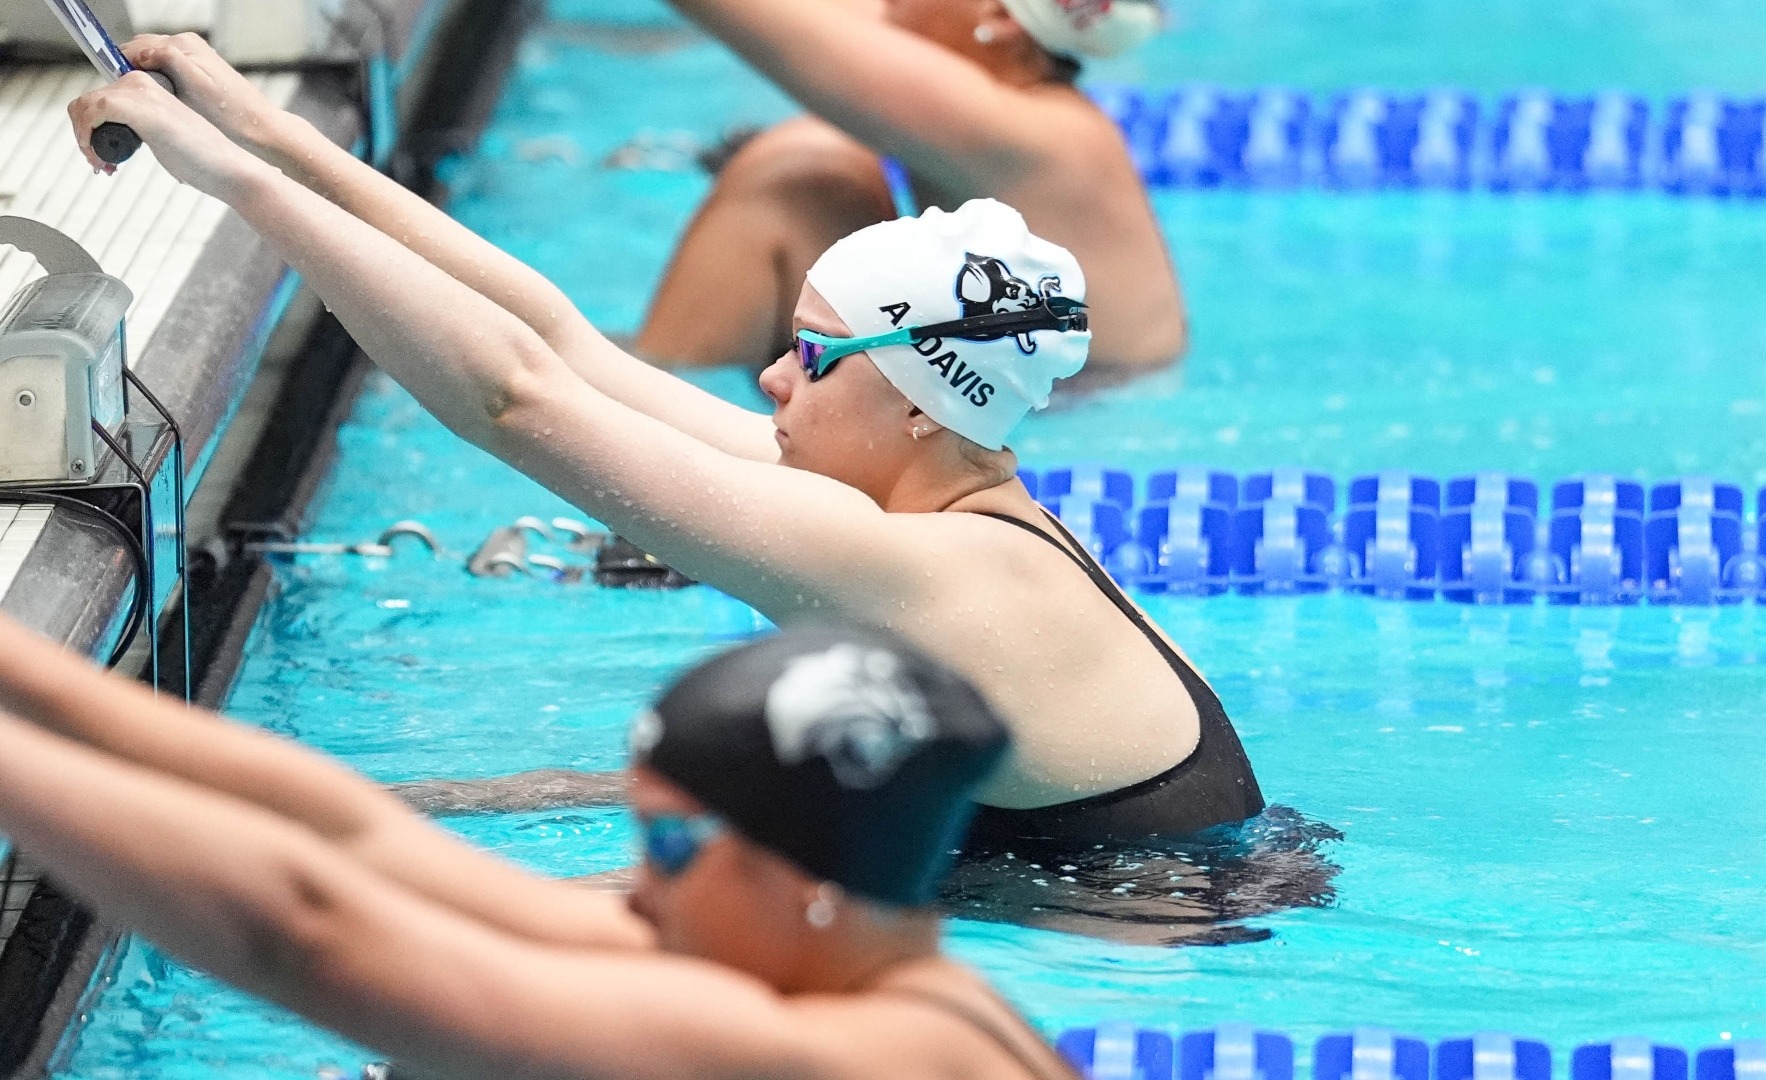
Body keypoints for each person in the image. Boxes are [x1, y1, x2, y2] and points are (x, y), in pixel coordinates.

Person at [65, 45, 1269, 889]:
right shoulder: (924, 509)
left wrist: (228, 183)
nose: (771, 382)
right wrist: (257, 125)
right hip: (1024, 875)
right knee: (460, 815)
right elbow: (559, 341)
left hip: (1128, 922)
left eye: (812, 355)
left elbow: (511, 400)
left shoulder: (931, 571)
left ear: (915, 399)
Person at [0, 615, 1081, 1080]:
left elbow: (308, 936)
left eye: (664, 843)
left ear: (796, 872)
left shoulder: (843, 1057)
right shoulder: (860, 968)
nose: (635, 889)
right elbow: (358, 837)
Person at [636, 0, 1187, 374]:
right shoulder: (1028, 102)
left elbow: (772, 24)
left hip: (1065, 428)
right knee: (815, 187)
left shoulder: (1038, 136)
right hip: (982, 394)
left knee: (796, 170)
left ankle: (634, 436)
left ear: (998, 18)